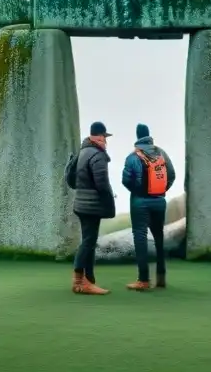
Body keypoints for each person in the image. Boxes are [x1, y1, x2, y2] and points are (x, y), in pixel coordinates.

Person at [121, 123, 176, 290]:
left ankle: (143, 280)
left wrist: (138, 192)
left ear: (137, 137)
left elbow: (125, 180)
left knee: (140, 237)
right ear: (149, 135)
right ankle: (161, 277)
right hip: (159, 201)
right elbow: (171, 175)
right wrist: (160, 191)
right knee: (159, 238)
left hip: (140, 202)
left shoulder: (133, 157)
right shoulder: (162, 153)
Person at [65, 122, 117, 295]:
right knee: (88, 242)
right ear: (98, 136)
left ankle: (89, 280)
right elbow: (101, 183)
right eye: (104, 137)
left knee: (89, 241)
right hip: (91, 206)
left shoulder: (83, 151)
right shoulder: (97, 154)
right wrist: (109, 199)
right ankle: (79, 281)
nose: (105, 141)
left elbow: (78, 180)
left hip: (81, 203)